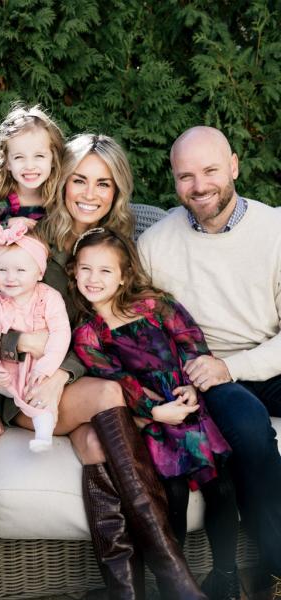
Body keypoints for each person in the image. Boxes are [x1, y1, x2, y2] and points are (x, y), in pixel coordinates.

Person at [0, 133, 207, 600]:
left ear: (118, 191)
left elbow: (128, 329)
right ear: (62, 182)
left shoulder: (117, 249)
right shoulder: (29, 239)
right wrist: (30, 346)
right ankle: (177, 580)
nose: (89, 193)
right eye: (79, 180)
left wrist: (70, 372)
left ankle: (126, 590)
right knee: (107, 395)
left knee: (100, 441)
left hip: (73, 386)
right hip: (29, 390)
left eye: (104, 184)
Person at [137, 125, 281, 597]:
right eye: (186, 176)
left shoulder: (275, 231)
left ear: (235, 166)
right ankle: (275, 564)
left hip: (260, 360)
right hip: (207, 373)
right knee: (250, 425)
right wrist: (203, 373)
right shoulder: (156, 244)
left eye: (211, 171)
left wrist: (233, 366)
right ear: (174, 180)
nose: (199, 186)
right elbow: (148, 329)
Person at [68, 227, 240, 600]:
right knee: (171, 495)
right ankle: (175, 585)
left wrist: (194, 383)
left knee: (222, 486)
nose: (94, 279)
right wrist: (154, 411)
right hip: (151, 417)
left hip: (189, 403)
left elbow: (192, 341)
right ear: (74, 272)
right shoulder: (88, 333)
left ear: (124, 275)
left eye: (105, 271)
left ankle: (226, 574)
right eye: (85, 269)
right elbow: (115, 380)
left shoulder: (155, 304)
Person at [0, 220, 71, 449]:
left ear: (39, 273)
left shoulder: (49, 298)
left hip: (36, 373)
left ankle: (43, 436)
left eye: (20, 270)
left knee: (44, 401)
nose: (10, 278)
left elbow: (61, 335)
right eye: (2, 270)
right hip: (5, 374)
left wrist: (46, 368)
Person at [0, 103, 64, 275]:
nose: (29, 166)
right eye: (19, 157)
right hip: (1, 275)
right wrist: (7, 224)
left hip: (43, 274)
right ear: (7, 162)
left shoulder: (58, 197)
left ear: (53, 158)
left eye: (39, 156)